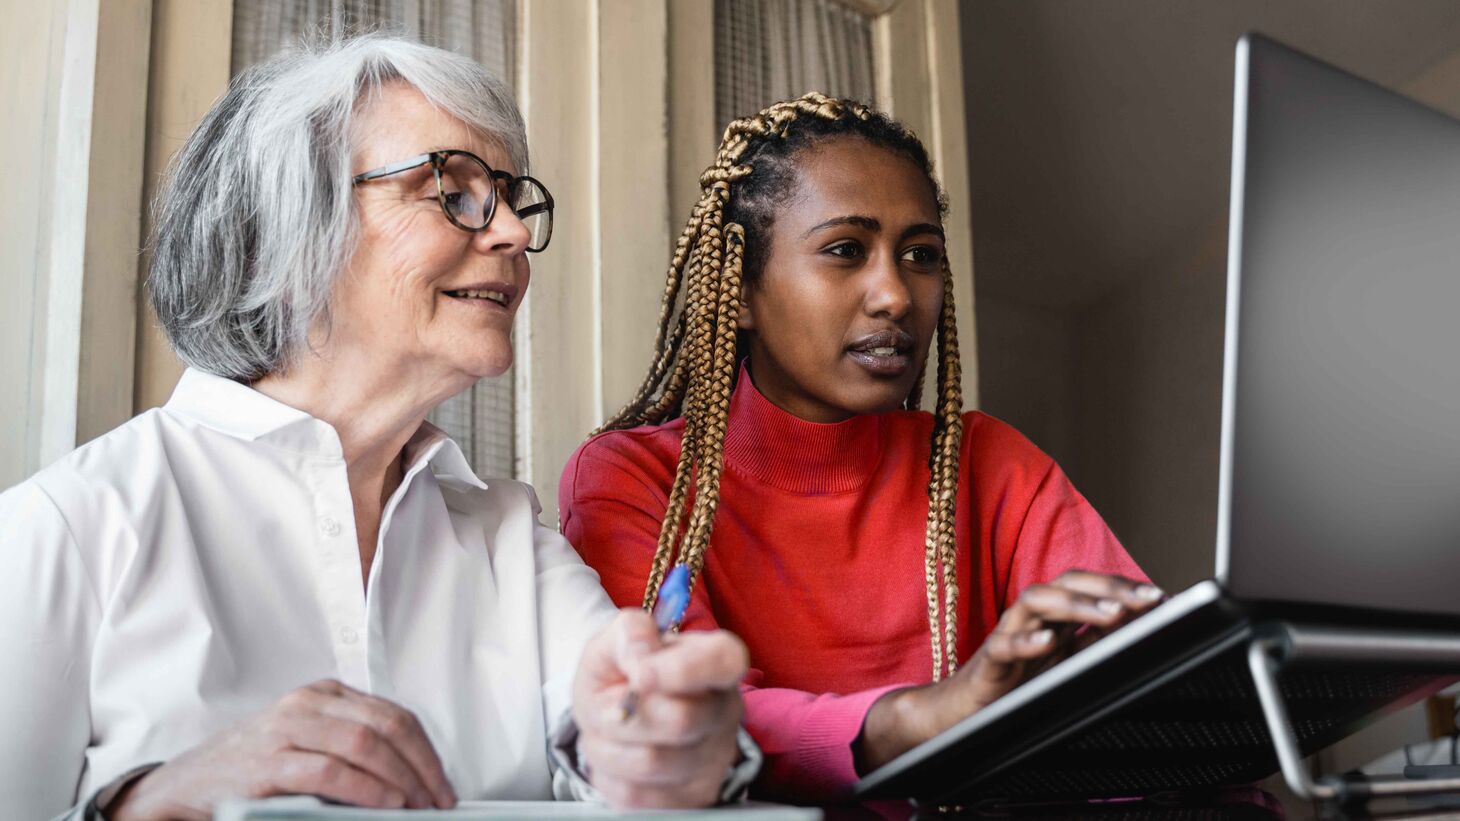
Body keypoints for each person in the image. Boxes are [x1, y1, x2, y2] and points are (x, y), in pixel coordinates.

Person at [0, 35, 755, 821]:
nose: (513, 235)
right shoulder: (69, 526)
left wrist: (664, 747)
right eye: (455, 192)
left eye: (510, 196)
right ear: (287, 233)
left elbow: (626, 747)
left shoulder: (509, 540)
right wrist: (141, 805)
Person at [559, 94, 1162, 803]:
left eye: (921, 255)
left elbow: (1152, 697)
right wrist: (938, 709)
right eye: (846, 250)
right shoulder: (636, 478)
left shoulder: (985, 461)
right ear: (742, 288)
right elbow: (684, 720)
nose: (896, 296)